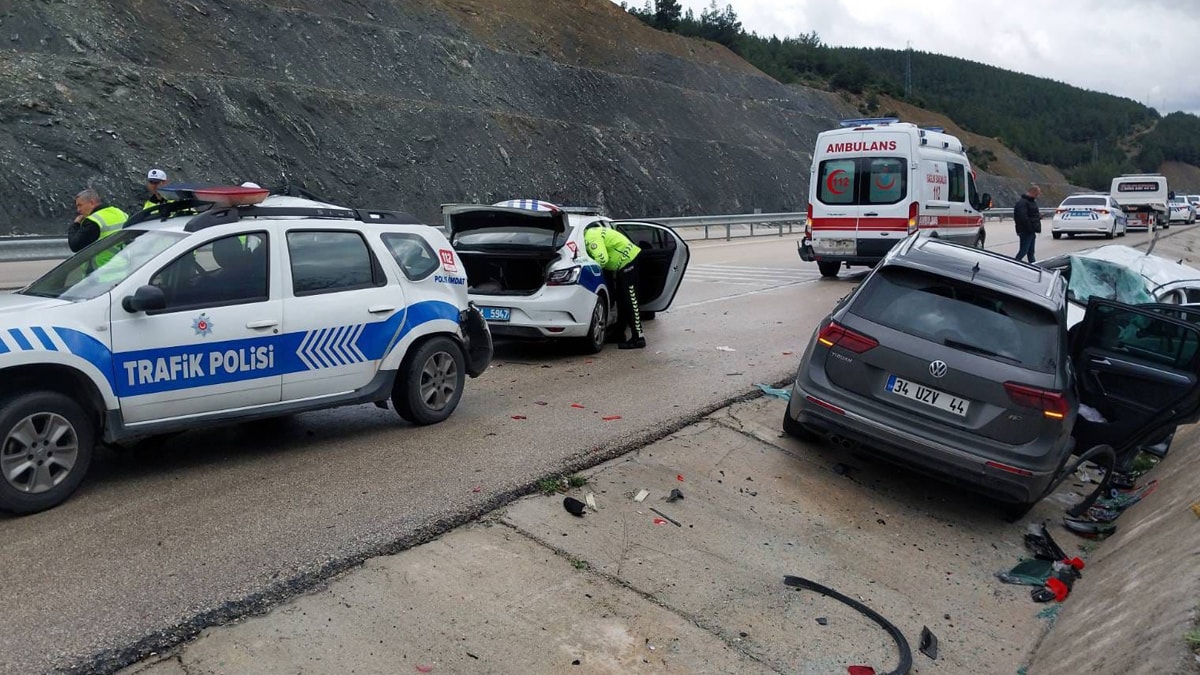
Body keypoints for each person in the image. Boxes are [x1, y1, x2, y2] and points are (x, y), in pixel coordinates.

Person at [584, 222, 645, 349]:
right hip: (625, 263)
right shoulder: (594, 231)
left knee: (630, 300)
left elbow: (602, 259)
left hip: (628, 261)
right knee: (622, 300)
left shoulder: (590, 238)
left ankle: (638, 338)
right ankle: (619, 333)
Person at [1013, 184, 1042, 263]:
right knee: (1023, 251)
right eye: (1037, 194)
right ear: (1033, 192)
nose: (1038, 196)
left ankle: (1034, 267)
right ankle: (1014, 264)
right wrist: (1030, 228)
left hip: (1031, 231)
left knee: (1030, 252)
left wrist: (1038, 217)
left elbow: (1031, 215)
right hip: (1026, 231)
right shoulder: (1022, 203)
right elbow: (1022, 218)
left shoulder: (1030, 202)